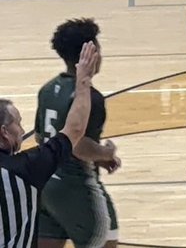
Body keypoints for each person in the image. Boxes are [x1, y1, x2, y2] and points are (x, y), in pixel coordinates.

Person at [0, 42, 99, 248]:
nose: (21, 128)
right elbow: (75, 129)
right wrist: (83, 82)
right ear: (4, 133)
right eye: (17, 122)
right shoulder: (26, 169)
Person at [35, 19, 120, 248]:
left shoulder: (47, 90)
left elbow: (41, 136)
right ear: (89, 52)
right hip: (77, 188)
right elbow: (78, 146)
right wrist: (105, 153)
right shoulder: (90, 98)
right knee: (106, 240)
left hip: (45, 185)